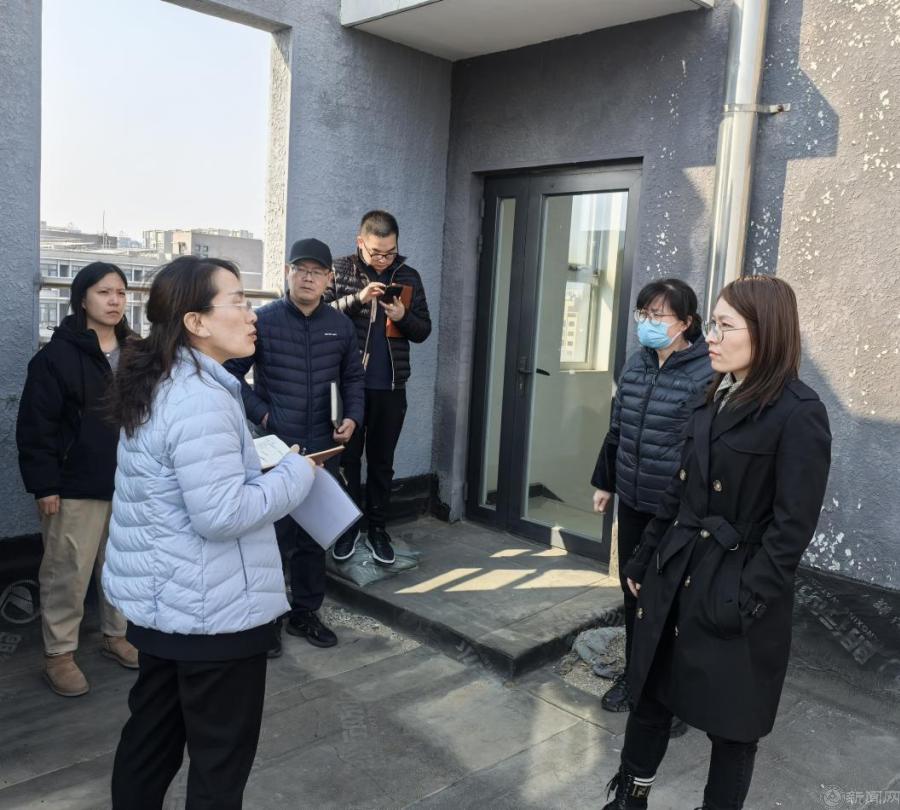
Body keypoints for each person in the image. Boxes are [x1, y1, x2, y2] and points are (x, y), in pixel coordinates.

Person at [600, 275, 831, 810]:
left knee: (733, 726)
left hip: (735, 583)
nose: (711, 336)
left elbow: (792, 527)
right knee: (651, 692)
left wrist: (748, 596)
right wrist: (643, 556)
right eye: (713, 323)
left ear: (766, 332)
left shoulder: (798, 412)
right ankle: (629, 798)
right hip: (677, 567)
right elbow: (679, 490)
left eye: (726, 326)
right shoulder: (713, 394)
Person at [102, 256, 317, 810]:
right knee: (219, 766)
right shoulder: (201, 397)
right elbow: (220, 514)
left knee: (150, 743)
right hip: (214, 615)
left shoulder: (165, 380)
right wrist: (296, 474)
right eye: (238, 302)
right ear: (196, 322)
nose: (252, 315)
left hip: (168, 606)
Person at [227, 238, 364, 653]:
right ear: (288, 272)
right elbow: (231, 375)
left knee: (311, 535)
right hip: (275, 447)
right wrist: (263, 416)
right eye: (300, 269)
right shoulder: (263, 320)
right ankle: (267, 618)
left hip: (322, 446)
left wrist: (352, 418)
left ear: (329, 279)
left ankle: (305, 612)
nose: (308, 277)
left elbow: (353, 378)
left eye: (317, 272)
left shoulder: (340, 325)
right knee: (272, 534)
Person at [591, 278, 713, 717]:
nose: (647, 322)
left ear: (686, 322)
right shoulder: (637, 364)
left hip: (677, 511)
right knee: (632, 591)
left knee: (671, 599)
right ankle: (635, 674)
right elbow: (618, 428)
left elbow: (704, 451)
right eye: (643, 314)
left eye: (657, 315)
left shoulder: (706, 373)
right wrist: (606, 482)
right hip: (634, 501)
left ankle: (671, 692)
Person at [16, 261, 138, 697]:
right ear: (82, 298)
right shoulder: (56, 357)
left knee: (122, 568)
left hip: (130, 483)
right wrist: (45, 486)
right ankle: (59, 654)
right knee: (66, 572)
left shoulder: (136, 353)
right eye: (104, 292)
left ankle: (116, 635)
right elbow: (37, 426)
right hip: (74, 486)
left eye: (121, 293)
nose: (114, 301)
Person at [325, 210, 431, 565]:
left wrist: (403, 317)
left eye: (390, 252)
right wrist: (358, 298)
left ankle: (378, 529)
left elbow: (423, 330)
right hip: (349, 387)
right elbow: (319, 314)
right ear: (361, 242)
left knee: (383, 463)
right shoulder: (340, 270)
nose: (384, 260)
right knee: (348, 461)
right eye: (376, 253)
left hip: (391, 387)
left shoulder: (409, 276)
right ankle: (348, 528)